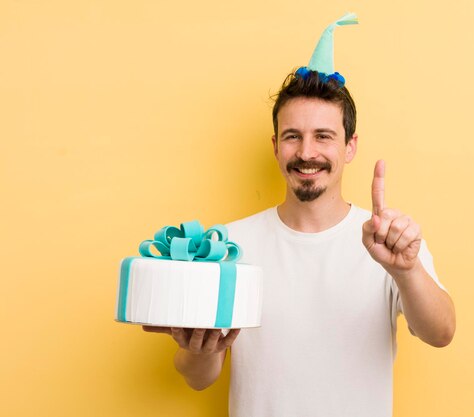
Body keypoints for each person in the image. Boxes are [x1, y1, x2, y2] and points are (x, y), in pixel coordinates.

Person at [144, 13, 455, 417]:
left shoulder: (390, 243)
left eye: (323, 136)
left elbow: (441, 332)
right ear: (276, 145)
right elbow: (199, 377)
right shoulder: (227, 247)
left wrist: (407, 270)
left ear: (350, 146)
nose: (307, 152)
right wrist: (196, 349)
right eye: (293, 136)